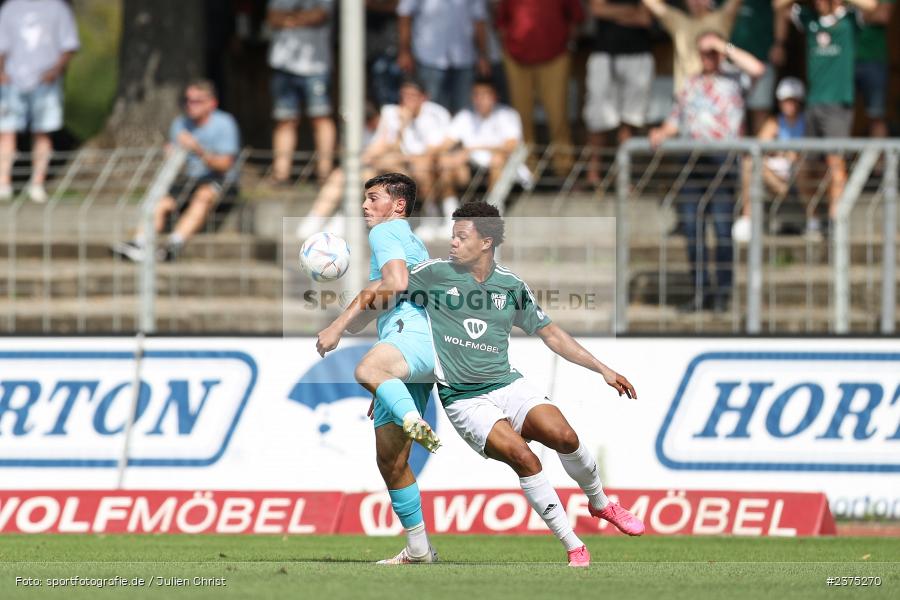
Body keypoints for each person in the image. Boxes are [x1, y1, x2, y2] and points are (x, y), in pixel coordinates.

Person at [397, 201, 643, 567]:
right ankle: (574, 545)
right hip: (464, 398)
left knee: (564, 436)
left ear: (486, 242)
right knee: (524, 457)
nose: (453, 243)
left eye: (461, 237)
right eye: (453, 236)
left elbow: (551, 334)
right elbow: (387, 296)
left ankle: (601, 503)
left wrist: (602, 368)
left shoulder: (510, 285)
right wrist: (385, 374)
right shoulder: (433, 274)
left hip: (506, 383)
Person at [315, 173, 440, 565]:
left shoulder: (385, 232)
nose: (365, 206)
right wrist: (387, 385)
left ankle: (410, 416)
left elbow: (396, 283)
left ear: (398, 205)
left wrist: (336, 327)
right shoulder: (411, 240)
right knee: (391, 461)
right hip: (420, 349)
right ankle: (419, 550)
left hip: (409, 336)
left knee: (366, 369)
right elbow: (385, 296)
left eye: (373, 198)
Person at [649, 32, 765, 312]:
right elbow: (675, 122)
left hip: (722, 162)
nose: (709, 57)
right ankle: (700, 292)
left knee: (723, 230)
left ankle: (723, 293)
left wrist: (722, 46)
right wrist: (660, 132)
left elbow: (758, 69)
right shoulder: (690, 84)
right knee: (692, 229)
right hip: (692, 162)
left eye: (713, 52)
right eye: (704, 52)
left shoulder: (736, 80)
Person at [112, 80, 240, 263]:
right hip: (188, 180)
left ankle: (174, 245)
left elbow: (225, 165)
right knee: (160, 201)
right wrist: (172, 155)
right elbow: (177, 165)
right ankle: (139, 243)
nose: (190, 105)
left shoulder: (224, 123)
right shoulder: (180, 124)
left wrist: (198, 150)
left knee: (203, 196)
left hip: (220, 180)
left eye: (197, 101)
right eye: (187, 100)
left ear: (212, 103)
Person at [776, 0, 877, 225]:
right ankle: (813, 219)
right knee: (805, 167)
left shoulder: (849, 19)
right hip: (813, 103)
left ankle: (835, 222)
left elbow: (872, 6)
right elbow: (778, 6)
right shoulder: (810, 19)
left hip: (838, 104)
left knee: (835, 163)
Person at [0, 0, 79, 203]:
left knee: (43, 133)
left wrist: (55, 71)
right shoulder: (10, 8)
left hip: (46, 82)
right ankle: (3, 183)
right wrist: (1, 73)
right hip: (12, 82)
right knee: (6, 134)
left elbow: (69, 45)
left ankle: (37, 184)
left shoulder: (57, 8)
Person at [431, 76, 527, 241]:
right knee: (445, 162)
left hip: (503, 169)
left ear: (494, 96)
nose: (480, 99)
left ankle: (492, 217)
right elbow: (445, 144)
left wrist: (470, 150)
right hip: (472, 168)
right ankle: (449, 218)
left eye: (485, 95)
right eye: (476, 95)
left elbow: (511, 146)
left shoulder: (507, 114)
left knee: (497, 161)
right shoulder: (465, 115)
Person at [496, 0, 584, 177]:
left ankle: (563, 168)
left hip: (555, 56)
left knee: (558, 114)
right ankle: (527, 170)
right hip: (517, 58)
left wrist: (565, 43)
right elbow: (501, 21)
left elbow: (576, 18)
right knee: (521, 117)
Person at [365, 77, 451, 233]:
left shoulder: (436, 114)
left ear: (423, 97)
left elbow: (433, 149)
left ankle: (432, 216)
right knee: (382, 165)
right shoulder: (392, 113)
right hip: (403, 163)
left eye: (412, 96)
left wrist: (409, 158)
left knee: (422, 166)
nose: (407, 100)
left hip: (426, 163)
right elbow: (390, 147)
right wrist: (402, 126)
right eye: (404, 95)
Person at [584, 0, 655, 185]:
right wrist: (631, 11)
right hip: (604, 54)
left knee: (631, 119)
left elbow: (645, 17)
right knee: (597, 118)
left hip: (639, 53)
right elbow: (596, 9)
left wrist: (612, 13)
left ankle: (623, 176)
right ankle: (593, 175)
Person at [267, 0, 337, 184]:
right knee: (284, 119)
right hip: (283, 66)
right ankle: (281, 175)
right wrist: (303, 18)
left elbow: (320, 16)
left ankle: (324, 173)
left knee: (320, 117)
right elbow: (272, 18)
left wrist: (288, 19)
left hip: (316, 67)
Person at [733, 77, 806, 244]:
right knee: (749, 163)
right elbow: (759, 146)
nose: (789, 104)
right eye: (785, 100)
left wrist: (786, 153)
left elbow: (801, 155)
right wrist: (780, 152)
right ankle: (747, 218)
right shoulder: (775, 122)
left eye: (792, 100)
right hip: (776, 174)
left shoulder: (807, 121)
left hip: (798, 174)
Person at [296, 102, 381, 240]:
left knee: (366, 175)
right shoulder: (357, 130)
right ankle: (317, 217)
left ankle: (347, 215)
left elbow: (377, 154)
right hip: (361, 169)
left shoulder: (388, 124)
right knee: (340, 175)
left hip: (383, 173)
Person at [396, 0, 491, 114]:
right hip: (429, 58)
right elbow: (405, 15)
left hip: (464, 58)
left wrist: (483, 55)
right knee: (431, 110)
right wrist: (405, 51)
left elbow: (479, 20)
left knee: (463, 112)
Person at [642, 0, 742, 96]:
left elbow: (732, 47)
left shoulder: (721, 18)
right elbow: (651, 4)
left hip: (719, 96)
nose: (696, 1)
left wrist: (720, 45)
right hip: (686, 98)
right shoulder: (678, 22)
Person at [722, 0, 788, 134]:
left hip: (762, 60)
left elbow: (781, 7)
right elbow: (724, 19)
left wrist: (779, 44)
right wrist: (727, 51)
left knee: (760, 110)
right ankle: (735, 147)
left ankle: (758, 147)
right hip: (733, 61)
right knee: (731, 110)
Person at [855, 0, 893, 139]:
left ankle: (877, 153)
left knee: (876, 114)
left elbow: (883, 15)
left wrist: (855, 15)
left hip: (874, 59)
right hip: (844, 60)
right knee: (840, 113)